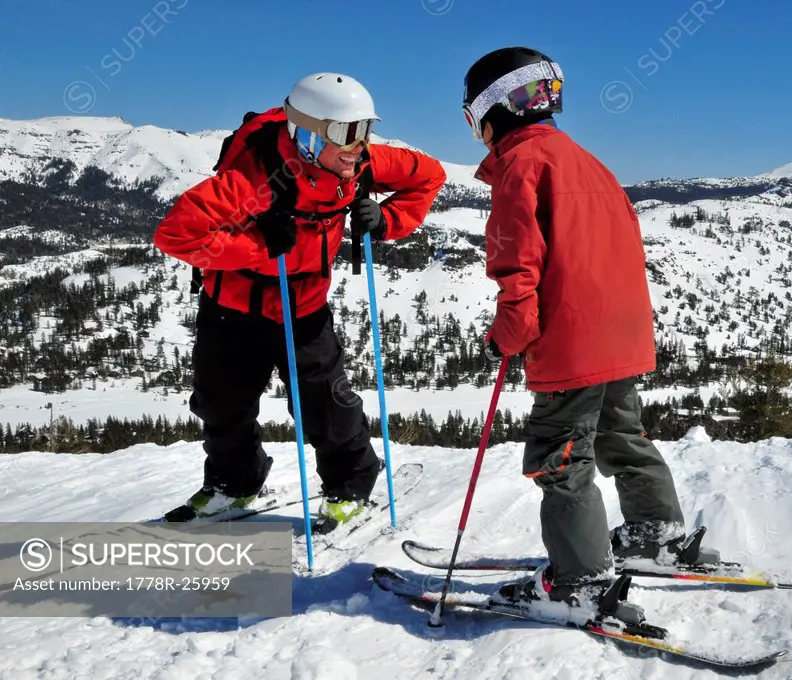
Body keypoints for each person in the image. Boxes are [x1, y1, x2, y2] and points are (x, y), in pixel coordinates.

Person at [462, 47, 720, 618]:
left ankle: (579, 581)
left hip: (570, 342)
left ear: (492, 109)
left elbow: (517, 265)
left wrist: (510, 334)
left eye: (471, 115)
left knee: (561, 456)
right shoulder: (588, 161)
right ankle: (657, 533)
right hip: (620, 335)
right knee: (619, 433)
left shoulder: (520, 167)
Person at [154, 72, 446, 533]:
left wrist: (387, 219)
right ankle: (234, 483)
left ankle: (351, 484)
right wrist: (257, 244)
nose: (358, 145)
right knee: (221, 405)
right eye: (344, 132)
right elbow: (176, 234)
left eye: (365, 129)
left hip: (304, 305)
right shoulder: (253, 176)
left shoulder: (360, 163)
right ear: (306, 134)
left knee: (325, 405)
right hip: (233, 308)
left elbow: (430, 175)